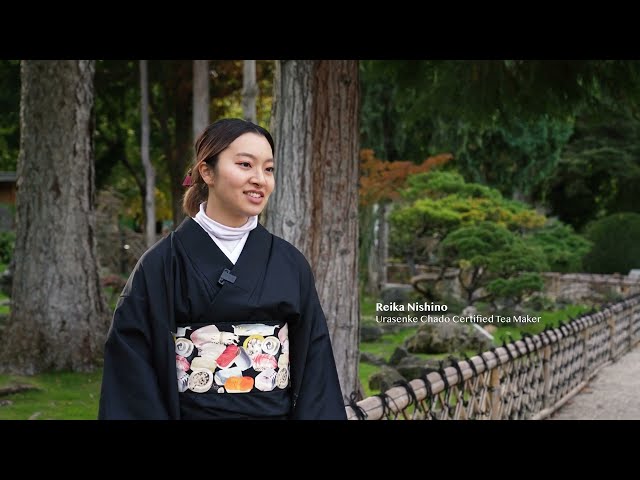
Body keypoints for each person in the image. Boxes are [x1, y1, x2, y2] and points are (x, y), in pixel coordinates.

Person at [98, 118, 347, 420]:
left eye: (268, 169)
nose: (260, 179)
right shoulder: (162, 263)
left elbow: (315, 365)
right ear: (207, 171)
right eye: (245, 164)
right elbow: (131, 365)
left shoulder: (289, 262)